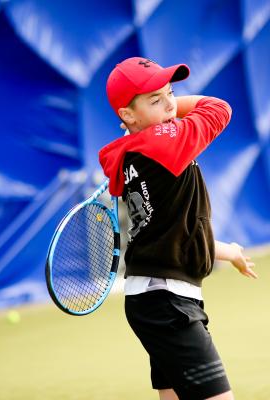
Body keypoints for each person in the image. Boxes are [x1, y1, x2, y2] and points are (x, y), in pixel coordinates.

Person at [99, 57, 257, 400]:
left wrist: (227, 251)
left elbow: (174, 230)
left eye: (171, 92)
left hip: (154, 299)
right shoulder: (164, 142)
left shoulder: (129, 152)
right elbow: (218, 108)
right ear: (127, 115)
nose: (171, 103)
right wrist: (169, 115)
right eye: (156, 99)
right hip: (168, 301)